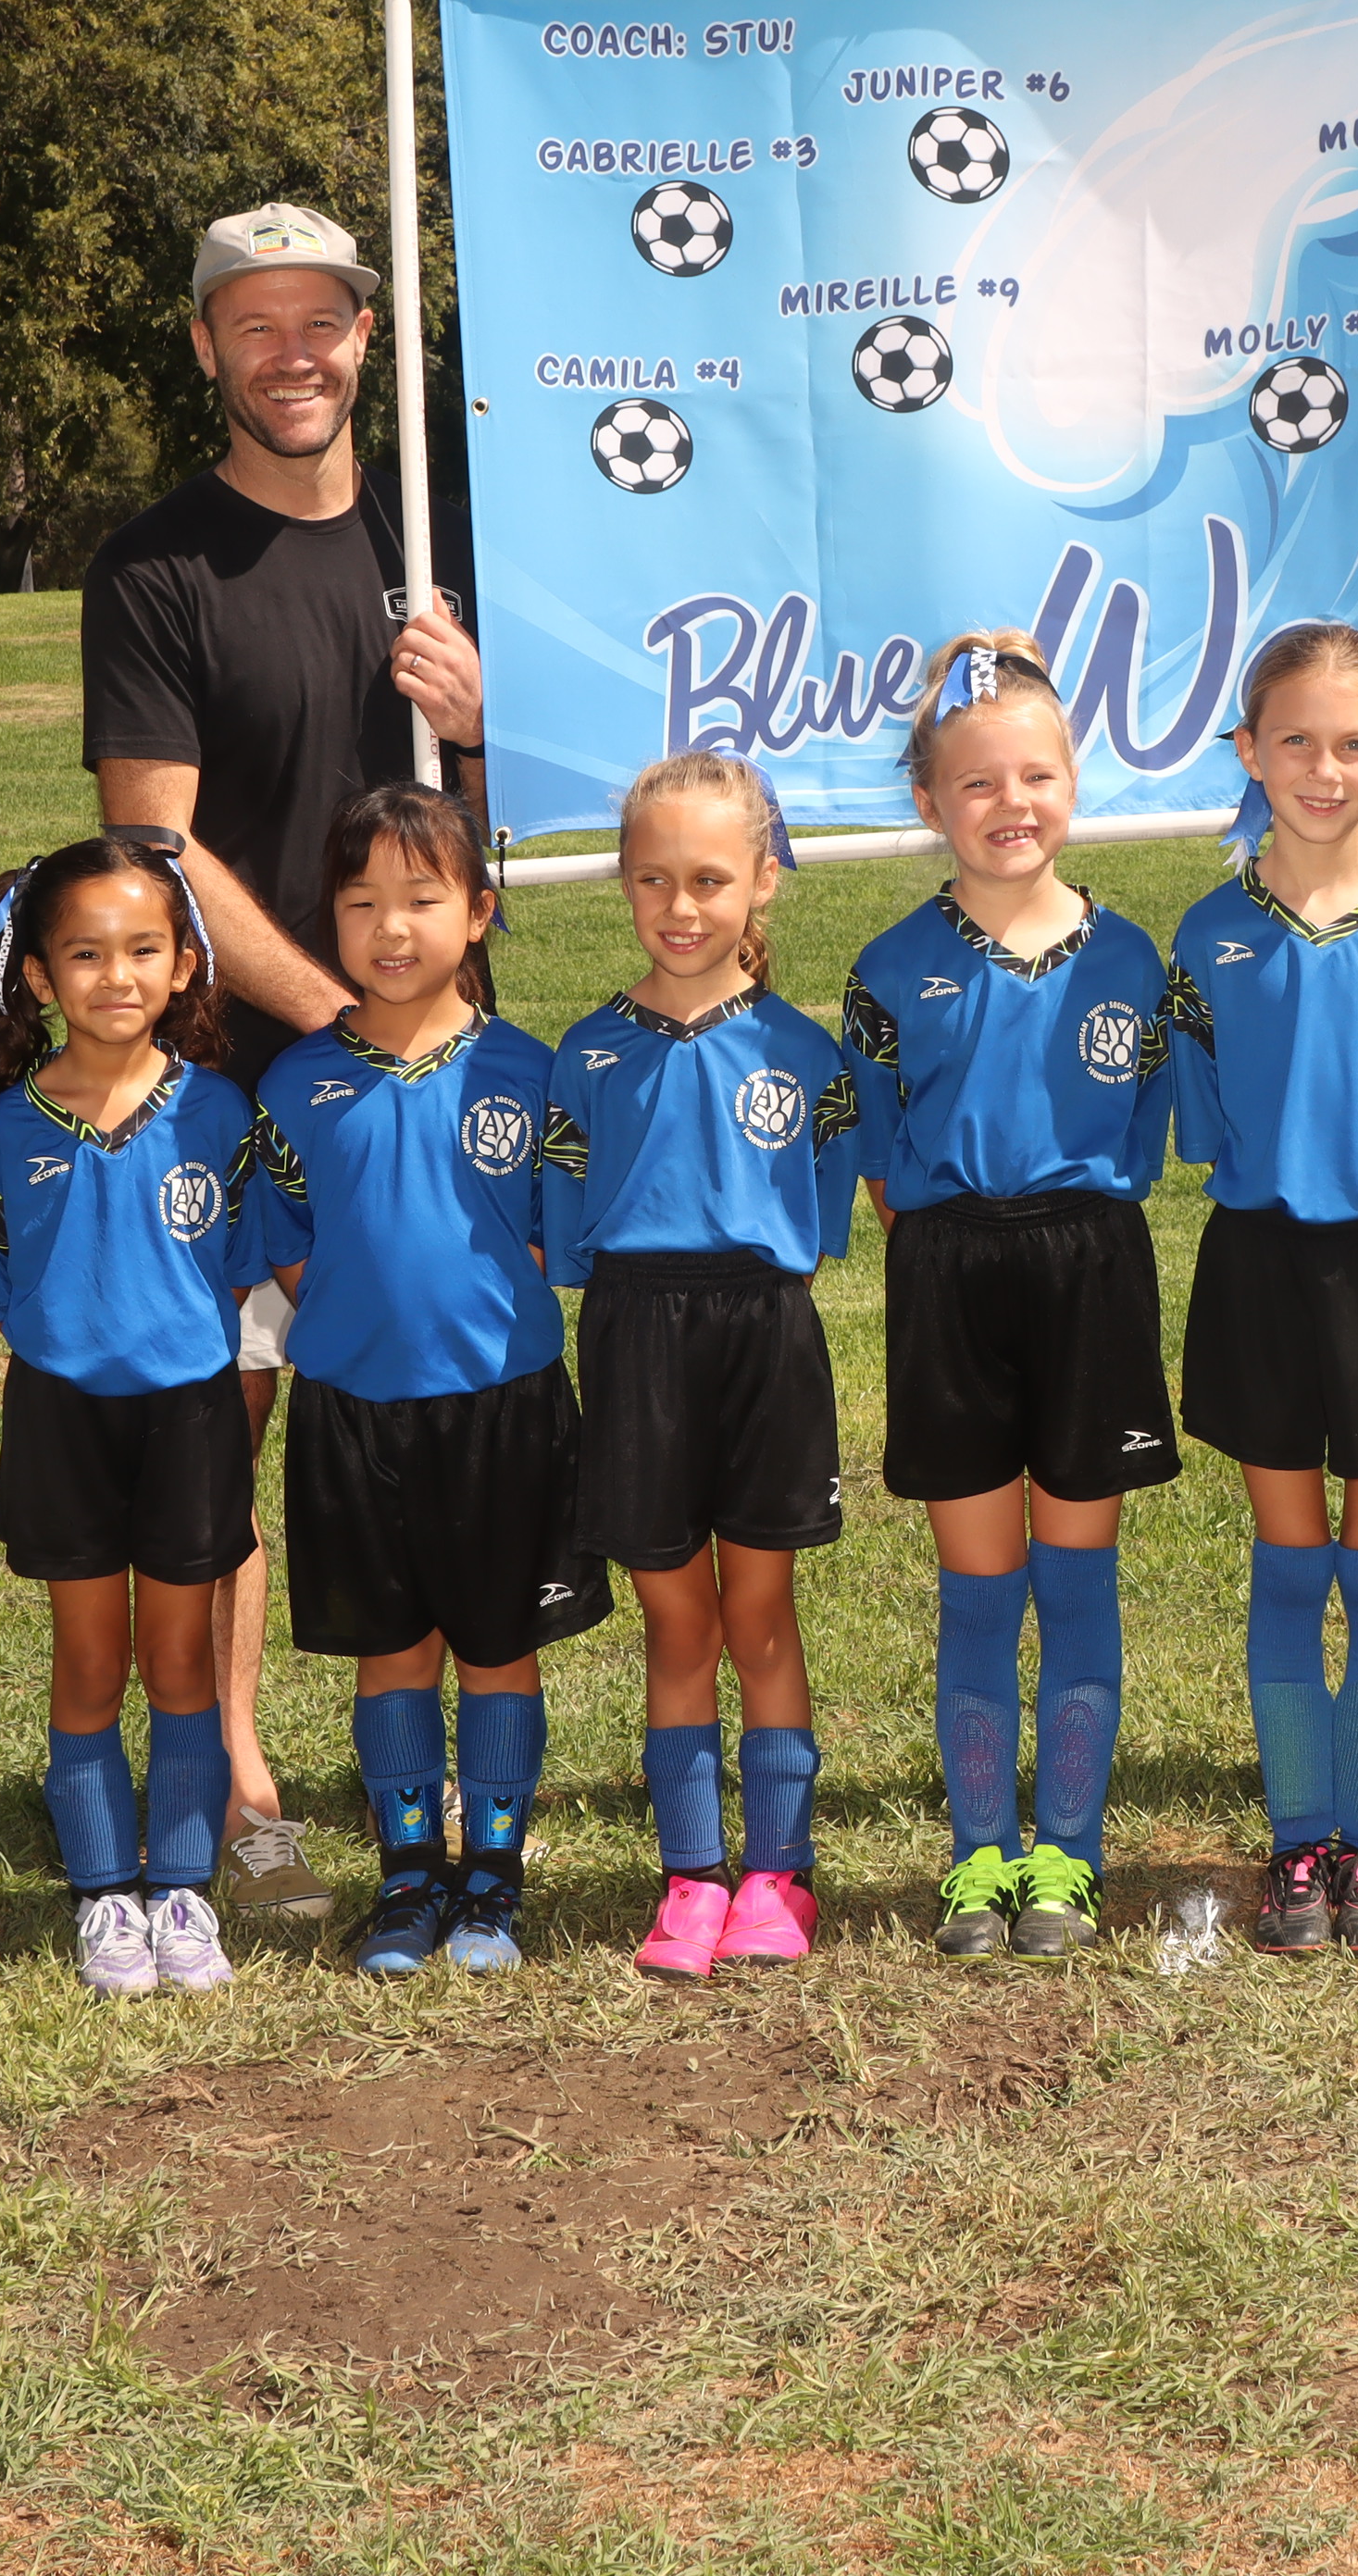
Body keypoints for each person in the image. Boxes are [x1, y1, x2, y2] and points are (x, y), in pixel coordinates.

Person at [81, 199, 492, 1922]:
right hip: (243, 1078)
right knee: (222, 1439)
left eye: (322, 319)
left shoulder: (439, 539)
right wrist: (337, 1024)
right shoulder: (156, 568)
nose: (292, 353)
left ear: (367, 341)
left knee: (438, 1405)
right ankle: (240, 1785)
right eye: (255, 324)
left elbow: (541, 804)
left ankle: (442, 1769)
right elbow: (155, 845)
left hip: (443, 1067)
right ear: (204, 348)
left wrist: (482, 720)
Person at [841, 635, 1181, 1962]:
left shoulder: (1132, 959)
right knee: (980, 1587)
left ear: (1074, 782)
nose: (1010, 802)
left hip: (1089, 1272)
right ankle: (981, 1855)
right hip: (950, 1279)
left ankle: (1069, 1858)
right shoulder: (888, 968)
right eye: (976, 782)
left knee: (1078, 1578)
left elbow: (1144, 1129)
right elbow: (882, 1165)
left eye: (1035, 774)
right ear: (930, 801)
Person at [1163, 624, 1358, 1960]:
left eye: (1354, 743)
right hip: (1262, 1267)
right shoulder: (1207, 933)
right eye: (1294, 739)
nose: (1323, 766)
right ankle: (1301, 1841)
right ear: (1249, 750)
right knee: (1292, 1564)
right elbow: (1201, 1124)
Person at [0, 835, 288, 1998]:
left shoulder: (220, 1114)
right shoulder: (5, 1133)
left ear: (185, 964)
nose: (116, 975)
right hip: (63, 1420)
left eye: (143, 949)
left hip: (191, 1416)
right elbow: (0, 1285)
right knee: (89, 1660)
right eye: (85, 954)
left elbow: (242, 1263)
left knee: (180, 1659)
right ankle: (104, 1895)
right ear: (39, 975)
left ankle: (181, 1888)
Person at [539, 752, 859, 1979]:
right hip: (636, 1339)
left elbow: (819, 1221)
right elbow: (566, 1232)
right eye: (654, 879)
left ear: (763, 881)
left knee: (761, 1613)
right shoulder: (585, 1056)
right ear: (623, 881)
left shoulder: (804, 1053)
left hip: (764, 1338)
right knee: (677, 1621)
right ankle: (689, 1877)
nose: (681, 906)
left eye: (711, 879)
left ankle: (778, 1874)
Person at [254, 783, 572, 1977]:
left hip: (502, 1406)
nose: (391, 927)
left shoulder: (530, 1072)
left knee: (496, 1645)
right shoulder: (295, 1085)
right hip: (353, 1409)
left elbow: (550, 1231)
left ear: (479, 911)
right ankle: (407, 1873)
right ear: (330, 918)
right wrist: (360, 1312)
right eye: (361, 902)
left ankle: (492, 1875)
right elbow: (289, 1241)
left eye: (422, 899)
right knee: (391, 1649)